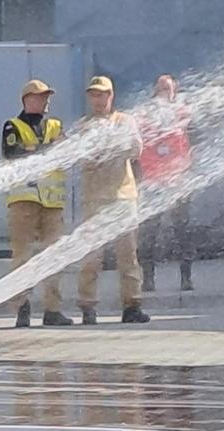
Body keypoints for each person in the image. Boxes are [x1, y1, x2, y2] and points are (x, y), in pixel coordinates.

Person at [72, 76, 149, 325]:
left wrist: (110, 146)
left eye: (102, 94)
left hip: (123, 197)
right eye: (93, 95)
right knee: (91, 257)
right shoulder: (83, 127)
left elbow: (135, 150)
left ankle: (132, 305)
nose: (98, 99)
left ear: (111, 95)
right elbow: (84, 159)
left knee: (128, 255)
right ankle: (88, 307)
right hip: (94, 200)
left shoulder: (125, 121)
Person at [2, 80, 70, 327]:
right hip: (24, 201)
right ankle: (22, 307)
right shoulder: (13, 126)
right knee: (23, 256)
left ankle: (53, 309)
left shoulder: (55, 125)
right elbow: (14, 154)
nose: (46, 101)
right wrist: (46, 150)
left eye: (47, 96)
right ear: (27, 100)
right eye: (41, 96)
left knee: (54, 254)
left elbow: (67, 151)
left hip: (52, 204)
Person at [138, 74, 195, 291]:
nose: (165, 91)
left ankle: (186, 278)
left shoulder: (184, 114)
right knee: (149, 233)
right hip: (152, 184)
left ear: (175, 90)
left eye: (168, 88)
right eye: (161, 87)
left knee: (183, 232)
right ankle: (148, 278)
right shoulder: (146, 116)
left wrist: (190, 171)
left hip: (178, 182)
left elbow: (195, 143)